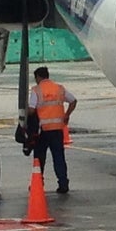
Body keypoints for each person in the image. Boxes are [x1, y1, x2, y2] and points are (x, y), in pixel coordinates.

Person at [28, 66, 77, 194]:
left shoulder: (36, 90)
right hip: (57, 129)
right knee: (59, 157)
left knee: (39, 158)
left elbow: (32, 109)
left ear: (38, 77)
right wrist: (66, 115)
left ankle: (38, 183)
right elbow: (73, 100)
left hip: (42, 131)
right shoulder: (59, 88)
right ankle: (63, 184)